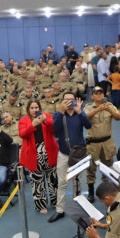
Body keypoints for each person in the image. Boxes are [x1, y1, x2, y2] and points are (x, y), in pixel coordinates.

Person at [51, 92, 92, 222]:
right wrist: (61, 112)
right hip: (63, 153)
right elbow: (55, 129)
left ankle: (77, 206)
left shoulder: (79, 113)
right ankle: (60, 210)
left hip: (78, 153)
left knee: (77, 182)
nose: (69, 102)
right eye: (66, 100)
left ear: (75, 101)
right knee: (62, 182)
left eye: (71, 100)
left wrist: (80, 112)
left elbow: (88, 125)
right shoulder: (58, 114)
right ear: (62, 102)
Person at [18, 100, 59, 214]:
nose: (34, 110)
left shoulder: (47, 116)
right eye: (32, 108)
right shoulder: (23, 120)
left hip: (49, 153)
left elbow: (54, 129)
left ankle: (56, 202)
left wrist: (45, 121)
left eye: (36, 107)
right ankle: (41, 206)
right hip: (34, 155)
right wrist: (33, 124)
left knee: (53, 180)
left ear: (40, 108)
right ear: (28, 109)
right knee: (37, 182)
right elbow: (23, 134)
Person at [84, 86, 120, 203]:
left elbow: (119, 117)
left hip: (107, 142)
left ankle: (105, 192)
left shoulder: (110, 106)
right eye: (96, 93)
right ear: (92, 96)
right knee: (91, 169)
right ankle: (91, 193)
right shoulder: (88, 107)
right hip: (93, 143)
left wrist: (109, 110)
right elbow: (84, 117)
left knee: (106, 168)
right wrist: (98, 109)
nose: (99, 95)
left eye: (101, 93)